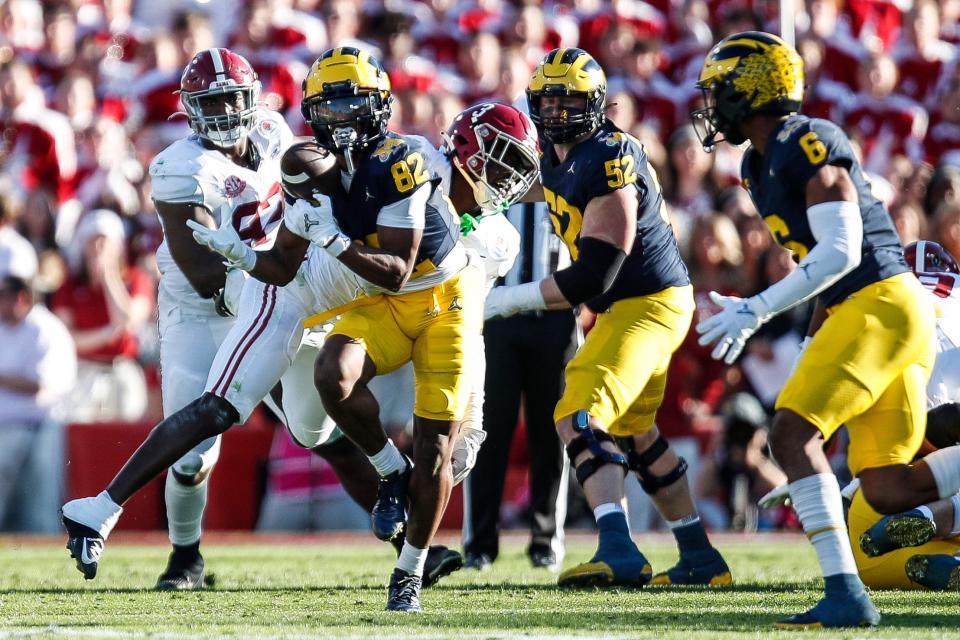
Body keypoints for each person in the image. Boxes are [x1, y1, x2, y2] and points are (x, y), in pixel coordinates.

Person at [60, 89, 537, 612]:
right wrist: (254, 249)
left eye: (517, 166)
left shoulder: (496, 237)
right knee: (220, 407)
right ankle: (101, 508)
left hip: (344, 305)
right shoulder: (403, 168)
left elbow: (458, 316)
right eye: (504, 160)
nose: (509, 178)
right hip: (287, 298)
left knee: (314, 429)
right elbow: (295, 254)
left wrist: (475, 416)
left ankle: (395, 485)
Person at [691, 31, 959, 627]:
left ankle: (845, 595)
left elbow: (840, 253)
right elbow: (821, 273)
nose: (711, 104)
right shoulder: (757, 162)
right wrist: (812, 351)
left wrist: (755, 306)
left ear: (753, 90)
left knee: (789, 434)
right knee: (886, 486)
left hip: (880, 302)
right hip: (867, 308)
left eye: (721, 90)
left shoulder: (802, 139)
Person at [485, 47, 731, 589]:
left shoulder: (612, 153)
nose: (554, 112)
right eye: (545, 101)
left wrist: (507, 299)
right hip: (635, 305)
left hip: (647, 302)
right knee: (636, 433)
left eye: (567, 100)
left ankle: (617, 548)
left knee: (577, 411)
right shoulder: (551, 155)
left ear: (594, 103)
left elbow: (595, 272)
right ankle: (700, 556)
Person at [0, 275, 76, 528]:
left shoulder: (45, 327)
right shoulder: (4, 327)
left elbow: (41, 385)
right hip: (7, 427)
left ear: (21, 297)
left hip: (39, 426)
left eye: (2, 296)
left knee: (38, 507)